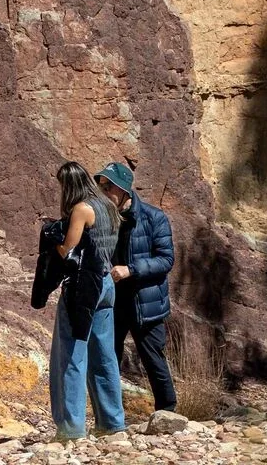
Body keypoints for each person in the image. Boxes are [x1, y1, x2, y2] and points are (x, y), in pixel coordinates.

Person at [30, 161, 126, 440]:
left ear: (69, 185)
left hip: (83, 288)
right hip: (106, 285)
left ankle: (70, 429)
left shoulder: (82, 209)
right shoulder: (108, 205)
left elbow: (69, 253)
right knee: (104, 356)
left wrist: (52, 237)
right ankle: (112, 423)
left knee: (70, 356)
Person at [96, 161, 177, 413]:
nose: (103, 192)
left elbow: (166, 260)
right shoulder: (104, 218)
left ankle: (168, 414)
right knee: (108, 358)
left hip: (146, 304)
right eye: (101, 186)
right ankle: (109, 417)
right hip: (114, 302)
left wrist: (130, 269)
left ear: (123, 190)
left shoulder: (154, 218)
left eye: (108, 186)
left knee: (154, 361)